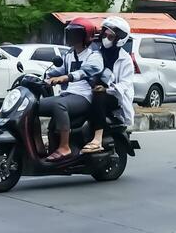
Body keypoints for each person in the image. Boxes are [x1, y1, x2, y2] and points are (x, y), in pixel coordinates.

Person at [39, 19, 103, 161]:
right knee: (33, 106)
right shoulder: (69, 54)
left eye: (75, 33)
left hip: (84, 96)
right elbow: (57, 71)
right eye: (70, 33)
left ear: (86, 36)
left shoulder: (94, 55)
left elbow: (85, 71)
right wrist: (42, 78)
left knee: (58, 105)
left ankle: (64, 147)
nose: (71, 36)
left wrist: (65, 78)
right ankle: (38, 145)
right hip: (67, 95)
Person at [80, 16, 136, 154]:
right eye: (104, 35)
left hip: (115, 97)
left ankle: (97, 139)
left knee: (99, 95)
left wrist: (106, 89)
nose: (106, 39)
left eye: (110, 36)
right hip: (92, 91)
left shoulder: (125, 60)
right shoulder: (96, 53)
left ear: (119, 39)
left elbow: (125, 85)